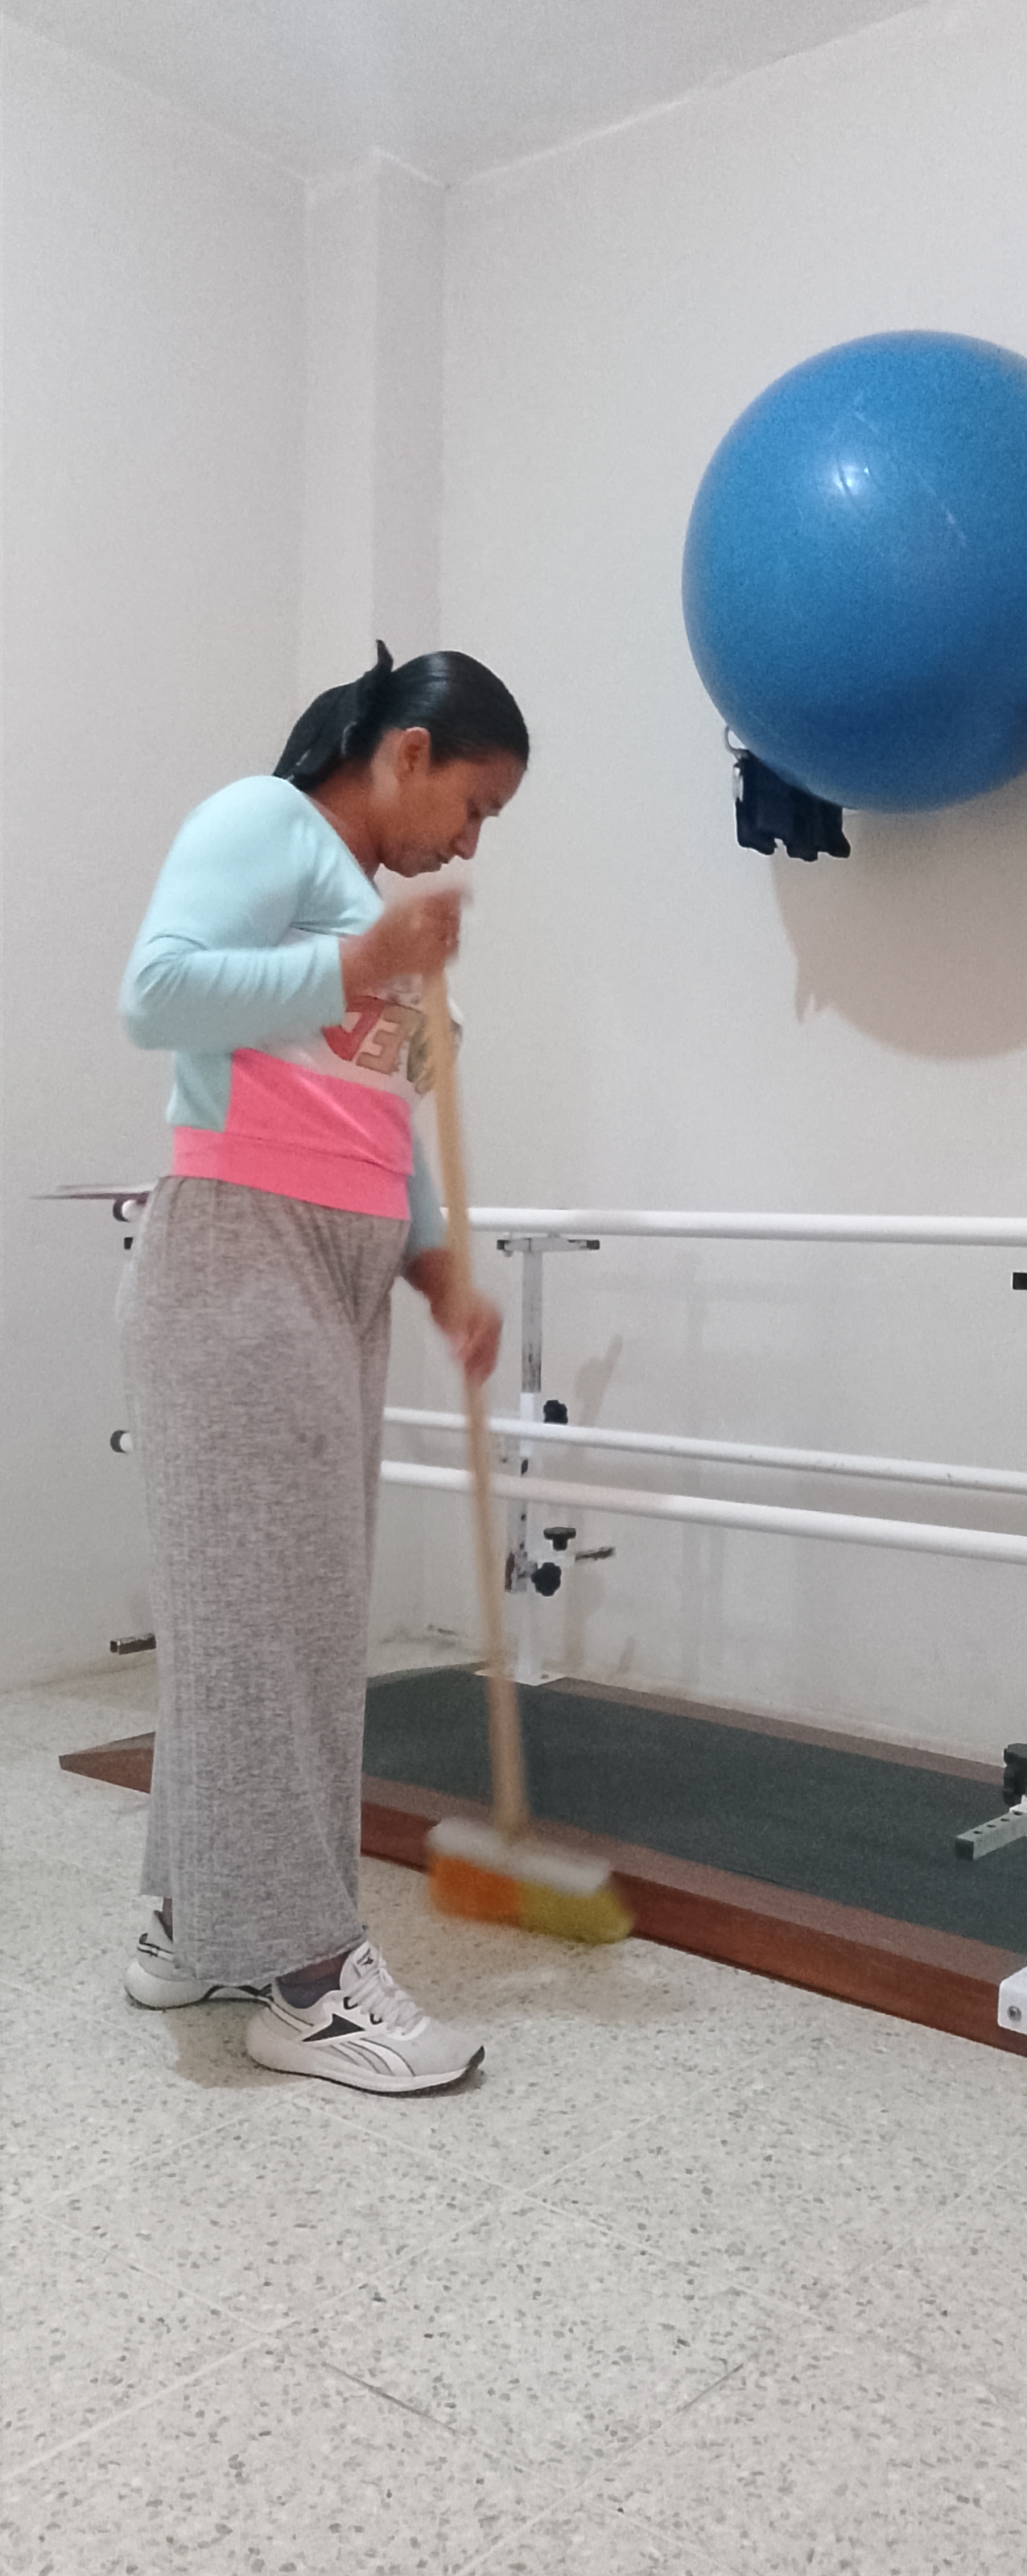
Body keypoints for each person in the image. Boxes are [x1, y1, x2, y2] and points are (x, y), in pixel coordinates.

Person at [117, 644, 528, 2095]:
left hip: (337, 1272)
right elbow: (158, 994)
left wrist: (438, 1271)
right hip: (240, 1250)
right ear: (408, 750)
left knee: (267, 1614)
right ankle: (302, 1978)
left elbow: (377, 1123)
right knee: (270, 1622)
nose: (469, 844)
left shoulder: (373, 909)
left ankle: (190, 1921)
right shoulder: (266, 823)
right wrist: (362, 962)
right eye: (473, 804)